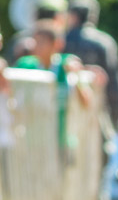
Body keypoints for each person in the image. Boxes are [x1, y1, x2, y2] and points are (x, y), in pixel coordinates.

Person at [12, 20, 93, 163]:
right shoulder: (25, 65)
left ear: (57, 44)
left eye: (42, 42)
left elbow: (87, 101)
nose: (36, 47)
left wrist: (76, 76)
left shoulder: (67, 65)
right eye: (35, 42)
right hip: (32, 140)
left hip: (60, 140)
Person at [65, 0, 118, 123]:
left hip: (65, 113)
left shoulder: (60, 41)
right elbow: (114, 83)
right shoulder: (105, 42)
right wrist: (117, 118)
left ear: (72, 16)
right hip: (95, 114)